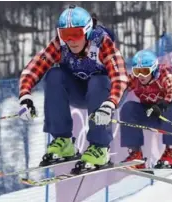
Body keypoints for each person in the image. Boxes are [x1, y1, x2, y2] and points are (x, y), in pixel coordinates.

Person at [18, 5, 128, 169]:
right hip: (79, 93)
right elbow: (34, 67)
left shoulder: (101, 42)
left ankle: (100, 147)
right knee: (54, 75)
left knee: (98, 80)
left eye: (76, 34)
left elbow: (119, 76)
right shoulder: (60, 45)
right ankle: (64, 142)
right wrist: (25, 96)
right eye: (65, 35)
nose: (71, 41)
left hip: (108, 93)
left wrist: (110, 103)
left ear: (87, 31)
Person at [119, 50, 172, 169]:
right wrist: (108, 107)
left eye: (144, 71)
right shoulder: (135, 78)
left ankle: (171, 151)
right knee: (128, 108)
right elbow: (120, 90)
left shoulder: (163, 72)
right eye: (137, 71)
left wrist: (161, 105)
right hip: (151, 113)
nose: (140, 75)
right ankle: (136, 156)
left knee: (170, 107)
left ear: (153, 69)